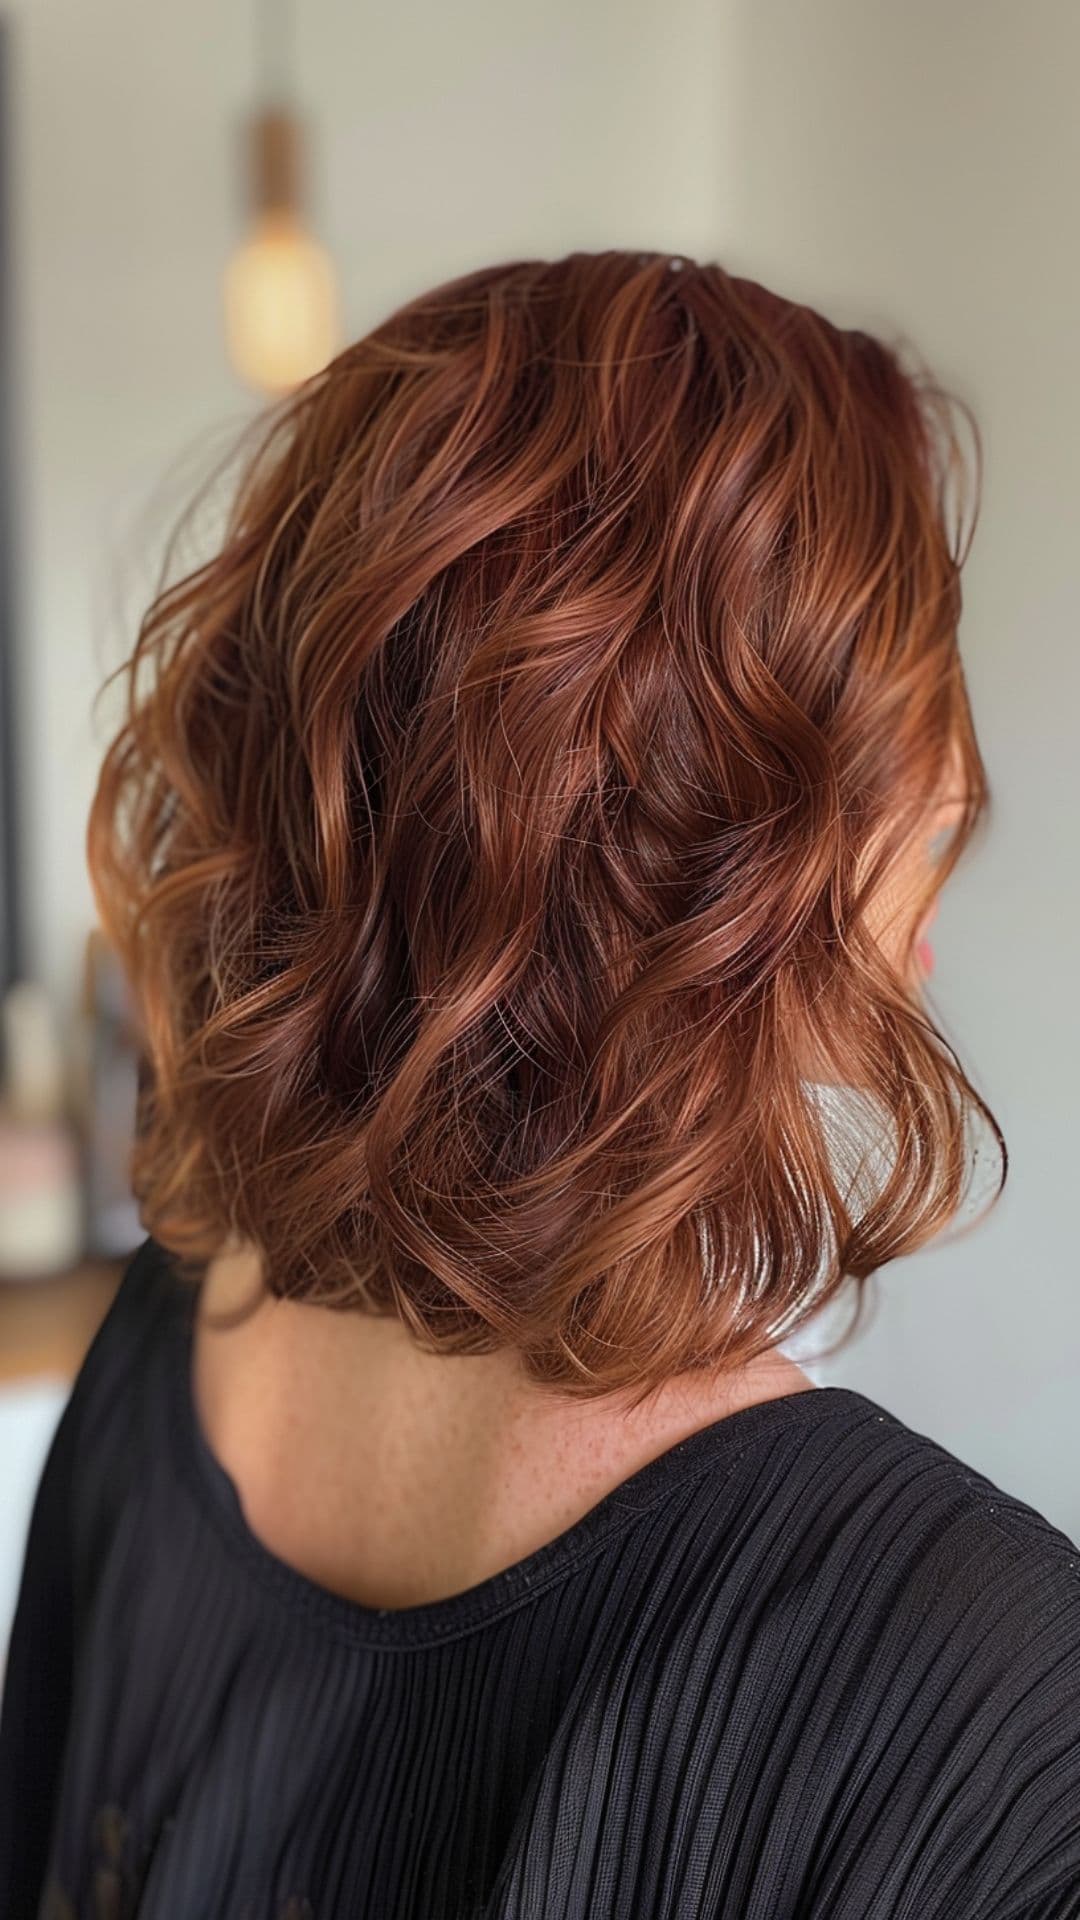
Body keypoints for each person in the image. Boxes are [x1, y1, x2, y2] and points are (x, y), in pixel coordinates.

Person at [1, 249, 1078, 1919]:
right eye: (914, 819)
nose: (924, 936)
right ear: (732, 870)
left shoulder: (160, 1341)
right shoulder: (976, 1702)